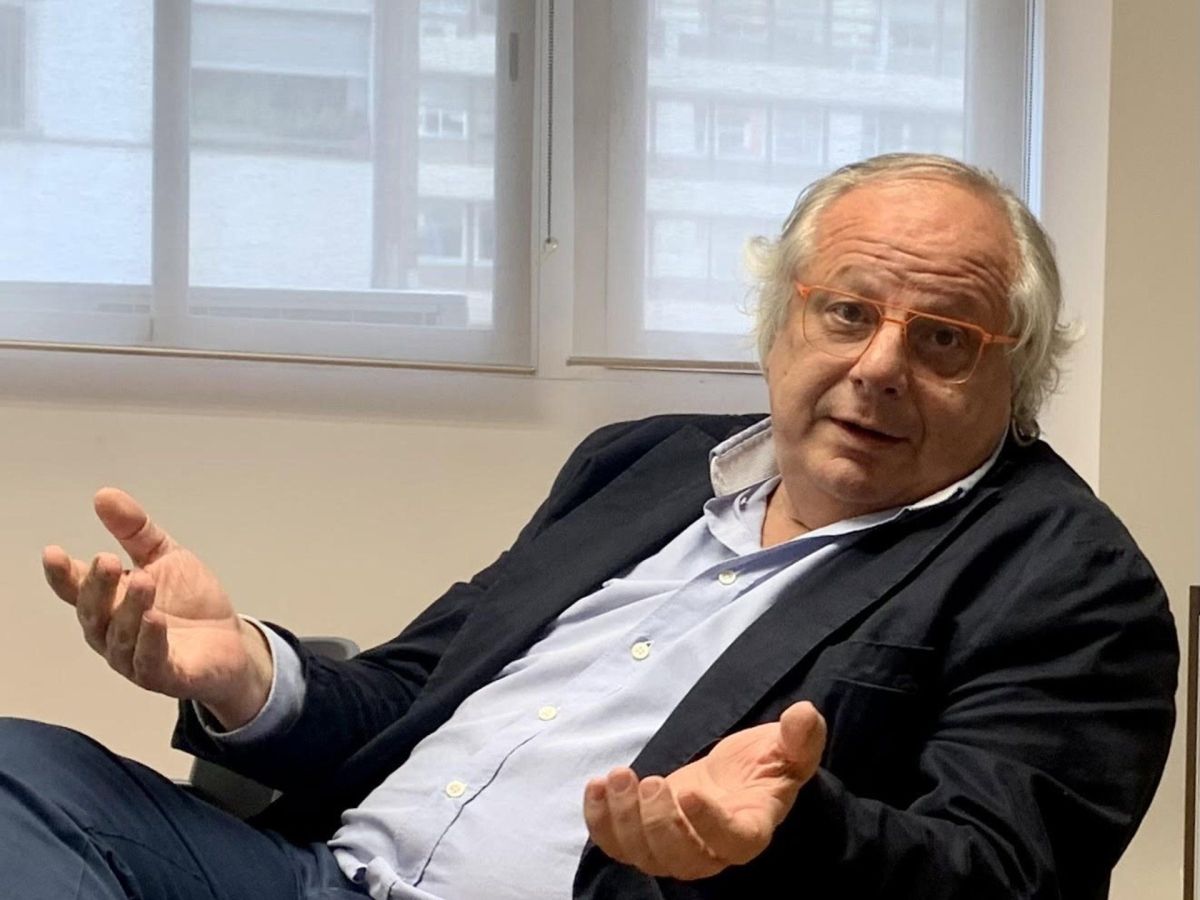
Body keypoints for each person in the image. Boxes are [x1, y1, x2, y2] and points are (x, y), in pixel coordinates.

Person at [1, 153, 1176, 900]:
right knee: (19, 767)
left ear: (1018, 374)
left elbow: (1003, 875)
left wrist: (787, 831)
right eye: (848, 312)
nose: (879, 366)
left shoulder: (1068, 579)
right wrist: (247, 675)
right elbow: (418, 692)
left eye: (944, 339)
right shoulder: (645, 461)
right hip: (321, 874)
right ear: (781, 323)